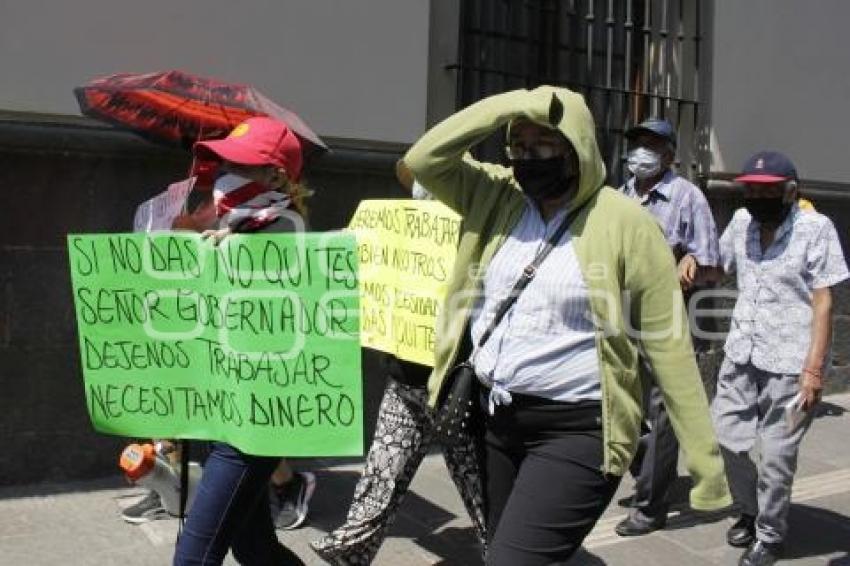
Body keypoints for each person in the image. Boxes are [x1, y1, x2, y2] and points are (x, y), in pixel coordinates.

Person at [401, 85, 731, 565]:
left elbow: (668, 345)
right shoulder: (498, 195)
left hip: (579, 430)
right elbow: (424, 158)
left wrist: (705, 463)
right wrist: (512, 104)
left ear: (576, 147)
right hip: (496, 423)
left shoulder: (626, 222)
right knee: (510, 549)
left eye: (543, 146)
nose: (527, 158)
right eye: (518, 147)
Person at [309, 167, 486, 565]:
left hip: (457, 390)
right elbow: (330, 259)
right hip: (405, 385)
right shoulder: (390, 231)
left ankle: (512, 552)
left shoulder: (478, 237)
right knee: (379, 479)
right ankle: (349, 553)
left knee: (480, 489)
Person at [172, 116, 312, 566]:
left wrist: (223, 252)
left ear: (276, 177)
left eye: (244, 165)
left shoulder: (284, 227)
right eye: (226, 161)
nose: (228, 173)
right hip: (222, 404)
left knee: (192, 558)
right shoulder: (232, 221)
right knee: (255, 548)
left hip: (254, 420)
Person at [711, 151, 848, 566]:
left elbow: (825, 300)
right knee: (727, 437)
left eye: (767, 190)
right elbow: (718, 267)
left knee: (775, 454)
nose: (756, 197)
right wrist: (691, 262)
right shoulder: (739, 222)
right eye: (750, 189)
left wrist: (813, 370)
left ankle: (769, 534)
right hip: (742, 352)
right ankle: (749, 510)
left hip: (792, 363)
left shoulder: (815, 228)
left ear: (791, 191)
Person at [614, 118, 721, 536]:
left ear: (670, 155)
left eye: (652, 145)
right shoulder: (621, 196)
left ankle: (650, 505)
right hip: (622, 317)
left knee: (662, 413)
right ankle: (652, 467)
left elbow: (710, 265)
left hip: (669, 323)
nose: (641, 151)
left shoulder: (687, 197)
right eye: (637, 143)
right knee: (627, 404)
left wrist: (690, 262)